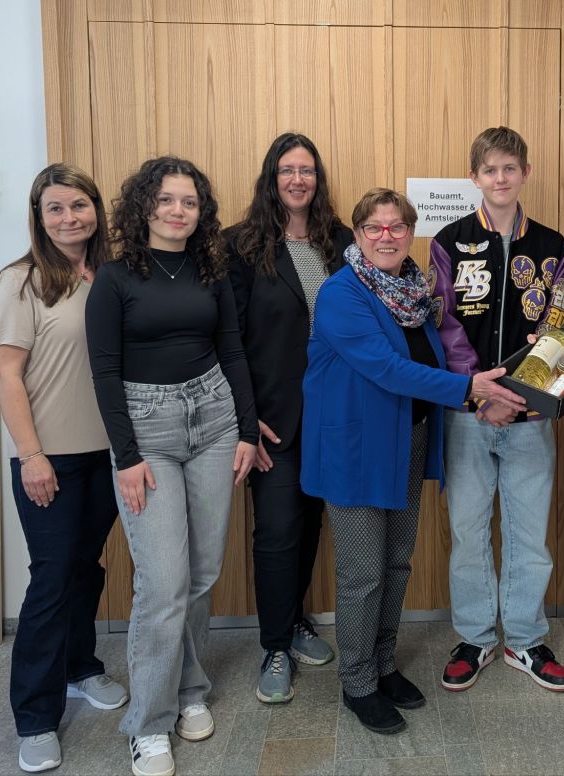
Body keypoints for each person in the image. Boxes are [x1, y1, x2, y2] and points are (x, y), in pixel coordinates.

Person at [301, 188, 524, 734]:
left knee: (397, 562)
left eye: (397, 227)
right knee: (362, 573)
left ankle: (382, 664)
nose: (387, 237)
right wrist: (469, 389)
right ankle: (357, 682)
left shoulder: (413, 290)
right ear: (358, 235)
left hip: (408, 440)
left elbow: (433, 356)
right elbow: (386, 368)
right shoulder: (341, 293)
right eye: (374, 228)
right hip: (356, 451)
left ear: (410, 232)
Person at [86, 156, 258, 776]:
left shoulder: (211, 269)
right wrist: (126, 456)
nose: (178, 211)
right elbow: (104, 371)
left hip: (213, 421)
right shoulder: (114, 278)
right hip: (147, 430)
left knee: (202, 573)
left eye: (189, 201)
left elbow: (231, 350)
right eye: (166, 200)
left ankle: (190, 690)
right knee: (163, 583)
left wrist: (245, 429)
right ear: (144, 206)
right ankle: (149, 724)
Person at [0, 163, 129, 774]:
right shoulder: (21, 281)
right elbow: (6, 374)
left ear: (96, 209)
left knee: (85, 567)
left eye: (79, 205)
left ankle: (80, 667)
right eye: (56, 208)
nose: (70, 218)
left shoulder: (110, 275)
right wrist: (31, 456)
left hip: (109, 454)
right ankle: (36, 717)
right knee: (51, 578)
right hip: (51, 458)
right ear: (38, 217)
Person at [430, 126, 564, 694]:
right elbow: (444, 323)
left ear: (525, 173)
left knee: (528, 533)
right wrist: (482, 393)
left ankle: (525, 639)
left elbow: (557, 327)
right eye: (489, 170)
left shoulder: (553, 245)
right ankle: (475, 637)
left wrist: (521, 394)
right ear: (474, 177)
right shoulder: (450, 241)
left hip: (530, 415)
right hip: (469, 413)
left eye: (510, 168)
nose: (500, 178)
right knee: (468, 531)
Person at [226, 132, 350, 705]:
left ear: (318, 179)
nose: (298, 180)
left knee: (310, 526)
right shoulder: (241, 246)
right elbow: (228, 339)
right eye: (287, 170)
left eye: (307, 170)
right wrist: (245, 419)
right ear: (271, 179)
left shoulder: (341, 242)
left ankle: (296, 620)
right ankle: (275, 645)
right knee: (276, 531)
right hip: (274, 420)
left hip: (335, 415)